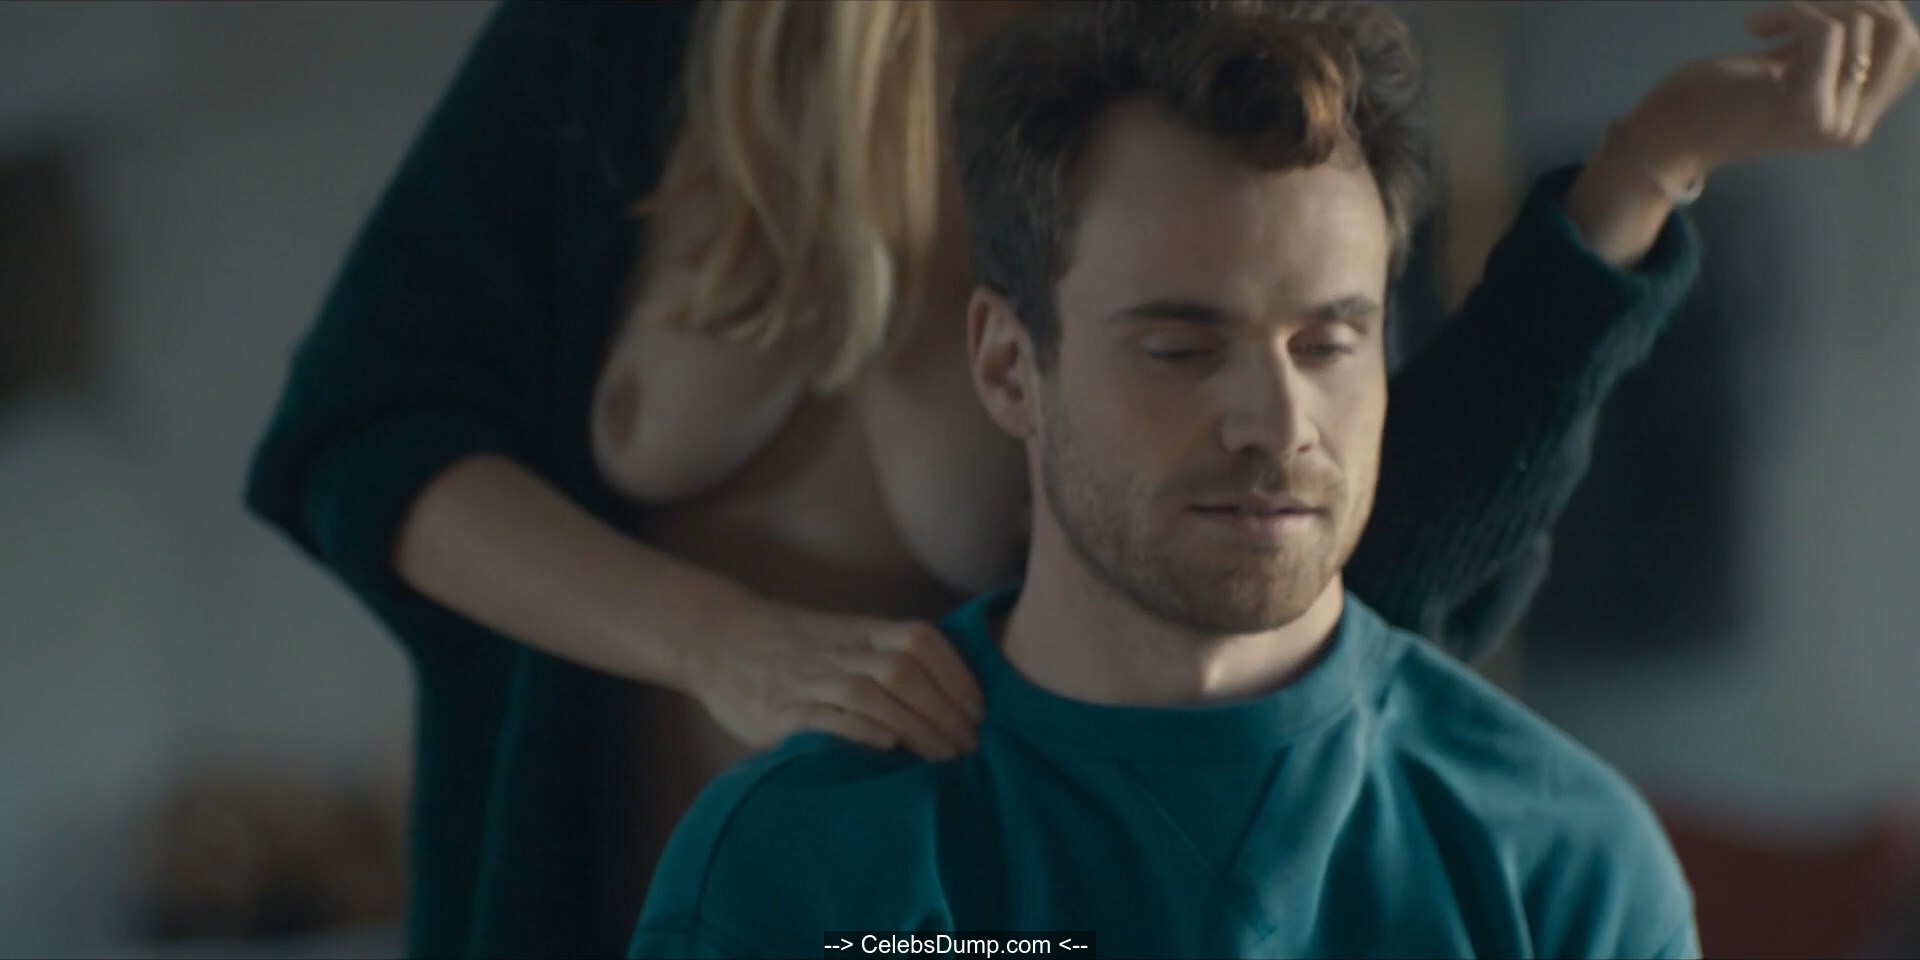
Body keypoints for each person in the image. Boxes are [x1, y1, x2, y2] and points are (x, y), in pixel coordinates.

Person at [241, 0, 1918, 955]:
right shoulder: (640, 39)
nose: (1265, 395)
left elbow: (1328, 553)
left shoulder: (1172, 72)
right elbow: (368, 433)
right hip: (625, 892)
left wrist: (1647, 171)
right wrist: (716, 643)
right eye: (1178, 343)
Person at [630, 3, 1696, 955]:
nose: (1280, 425)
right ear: (1008, 367)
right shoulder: (807, 866)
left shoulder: (1564, 868)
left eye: (1328, 345)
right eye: (1183, 349)